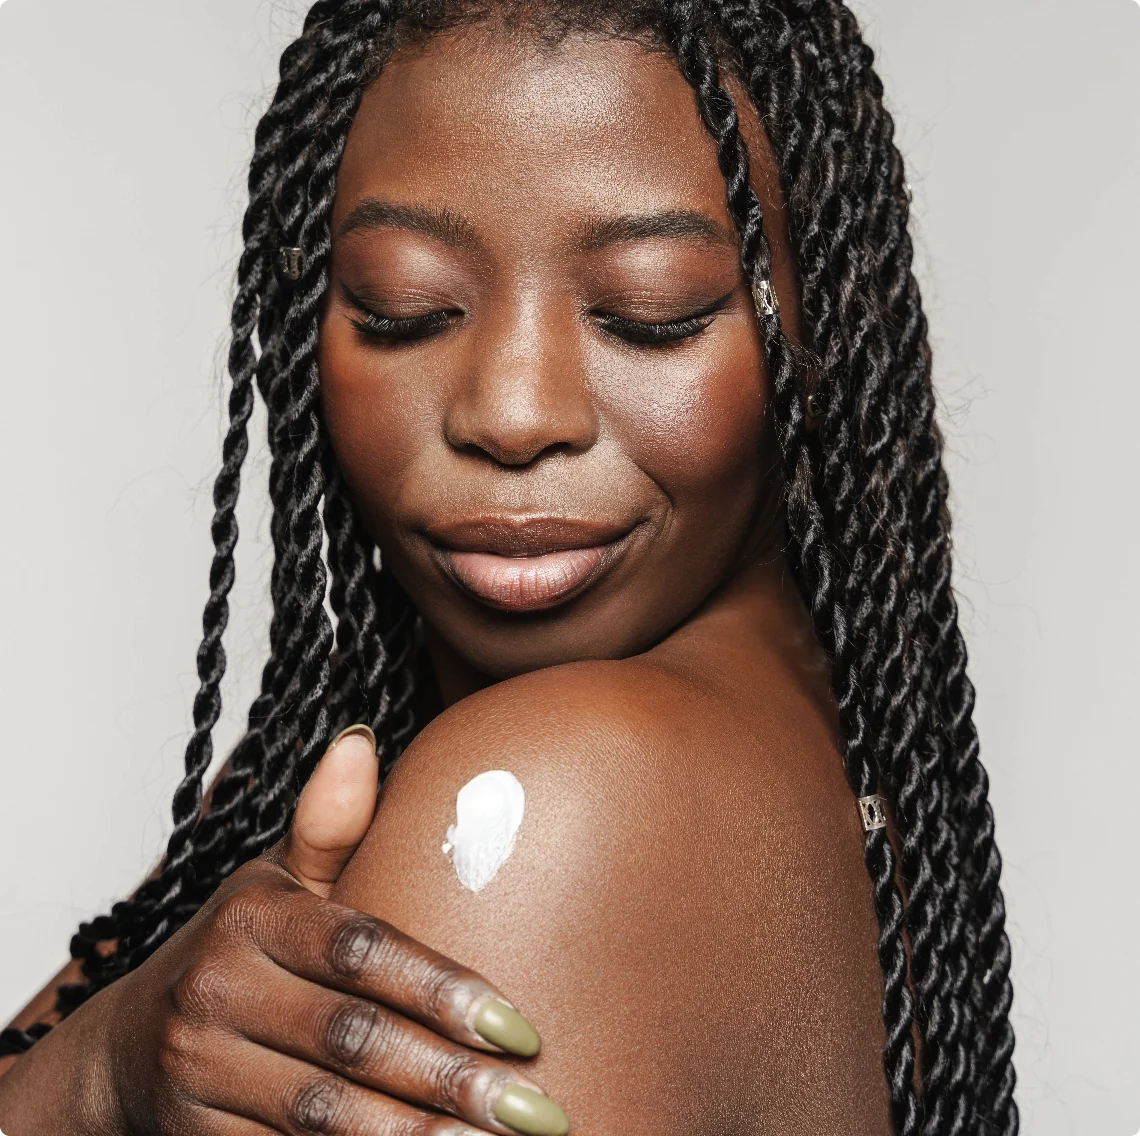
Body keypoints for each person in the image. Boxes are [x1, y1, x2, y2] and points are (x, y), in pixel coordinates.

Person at [0, 1, 1019, 1133]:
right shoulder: (859, 765)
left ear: (823, 327)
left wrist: (89, 1086)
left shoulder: (543, 805)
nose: (514, 414)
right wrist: (106, 1055)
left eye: (650, 314)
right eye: (405, 311)